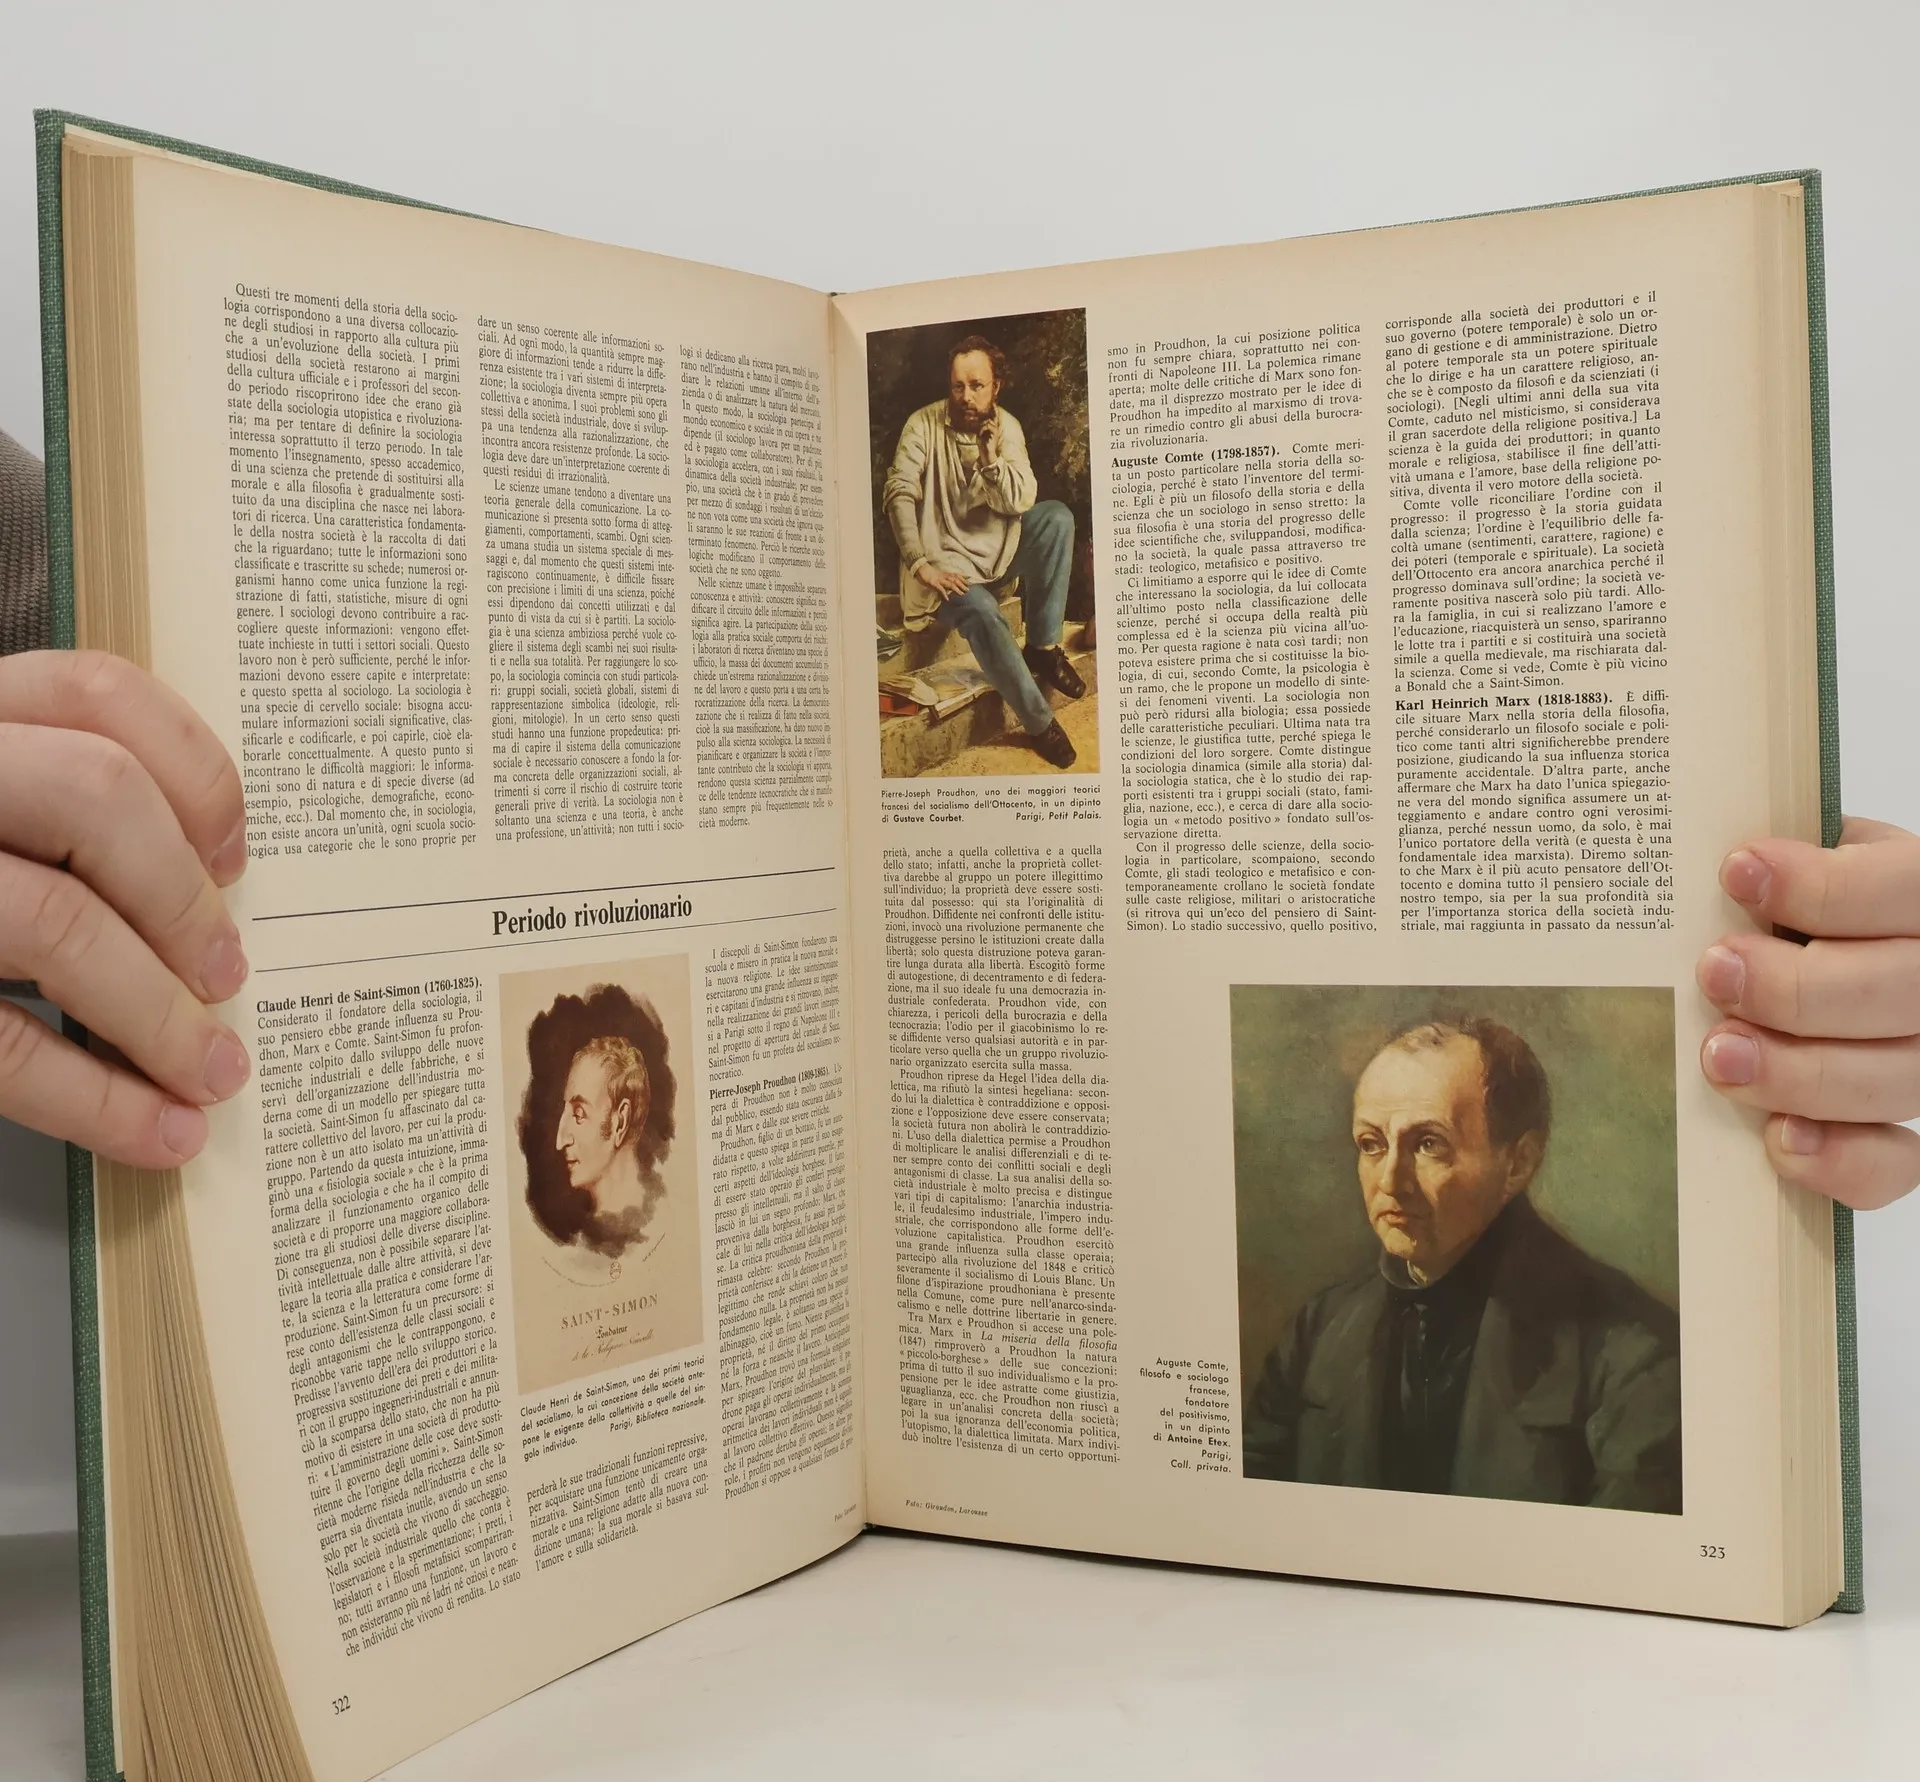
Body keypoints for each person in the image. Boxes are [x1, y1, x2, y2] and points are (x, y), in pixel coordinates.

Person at [2, 418, 1918, 1211]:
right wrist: (959, 572)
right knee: (994, 613)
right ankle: (1035, 698)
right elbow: (929, 543)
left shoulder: (31, 542)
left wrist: (1780, 921)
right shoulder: (922, 455)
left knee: (1047, 556)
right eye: (1376, 1142)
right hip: (939, 597)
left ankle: (1042, 687)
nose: (1395, 1180)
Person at [1241, 1019, 1681, 1507]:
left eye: (1428, 1144)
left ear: (1518, 1163)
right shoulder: (1320, 1329)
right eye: (1372, 1144)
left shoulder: (1634, 1353)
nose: (1390, 1181)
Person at [882, 336, 1083, 769]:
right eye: (958, 386)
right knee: (985, 611)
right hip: (943, 569)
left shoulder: (1007, 427)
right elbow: (899, 493)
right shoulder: (922, 425)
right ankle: (1039, 722)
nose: (966, 397)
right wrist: (920, 564)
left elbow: (1022, 500)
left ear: (997, 386)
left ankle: (1043, 648)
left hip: (996, 554)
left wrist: (991, 462)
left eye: (976, 386)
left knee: (1056, 518)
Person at [554, 1034, 657, 1240]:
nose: (560, 1141)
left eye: (579, 1114)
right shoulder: (579, 1239)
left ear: (620, 1122)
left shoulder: (658, 1221)